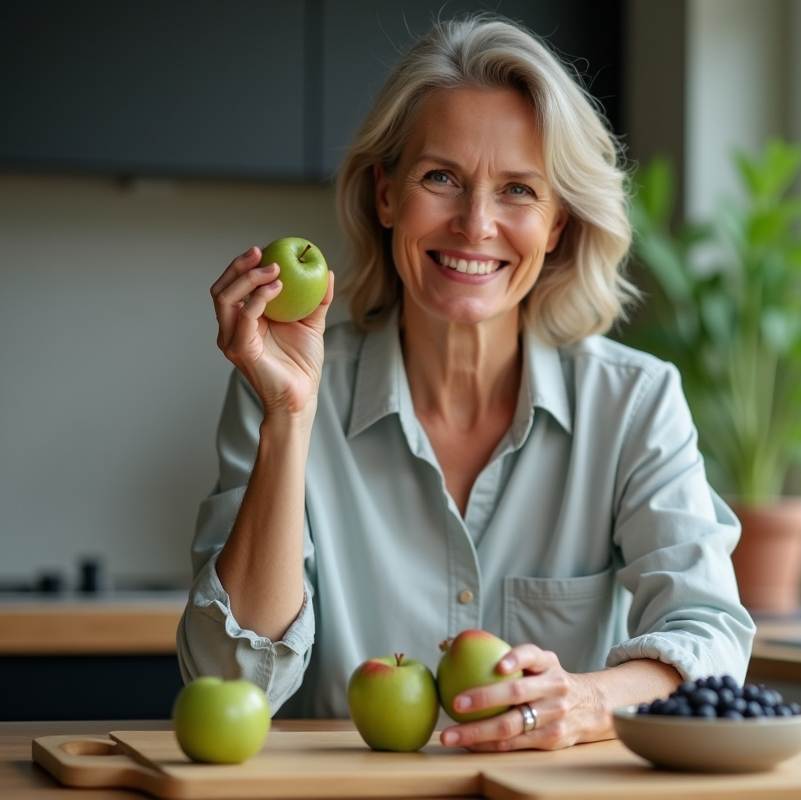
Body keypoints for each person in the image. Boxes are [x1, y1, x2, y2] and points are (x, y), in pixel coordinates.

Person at [177, 14, 754, 752]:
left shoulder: (635, 404)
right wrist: (289, 419)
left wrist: (587, 700)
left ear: (557, 225)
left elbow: (709, 638)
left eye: (518, 189)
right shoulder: (284, 391)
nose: (476, 224)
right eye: (441, 178)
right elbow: (231, 677)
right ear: (387, 195)